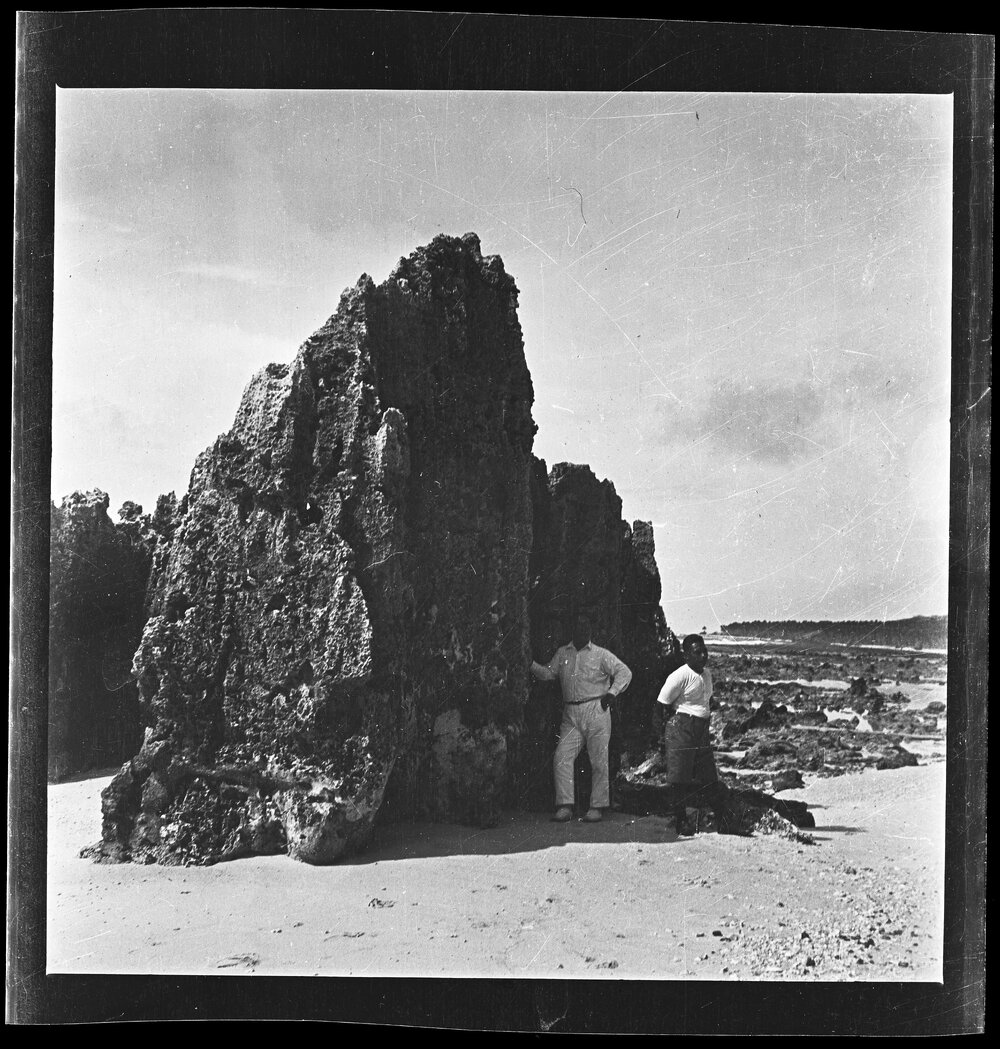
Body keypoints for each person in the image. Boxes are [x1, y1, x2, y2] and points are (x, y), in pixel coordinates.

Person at [531, 614, 632, 823]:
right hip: (571, 713)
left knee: (599, 761)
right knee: (562, 757)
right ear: (572, 630)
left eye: (586, 627)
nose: (582, 631)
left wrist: (612, 694)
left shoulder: (601, 654)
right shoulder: (562, 653)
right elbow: (549, 674)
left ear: (590, 631)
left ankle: (597, 807)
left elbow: (624, 672)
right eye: (578, 627)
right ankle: (565, 806)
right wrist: (529, 664)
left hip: (596, 709)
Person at [655, 633, 736, 835]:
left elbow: (705, 701)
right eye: (697, 652)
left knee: (709, 777)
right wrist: (661, 738)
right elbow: (660, 706)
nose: (703, 656)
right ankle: (681, 821)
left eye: (704, 651)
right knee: (678, 779)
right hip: (681, 726)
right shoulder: (678, 676)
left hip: (701, 729)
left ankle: (722, 821)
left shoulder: (707, 674)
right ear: (686, 656)